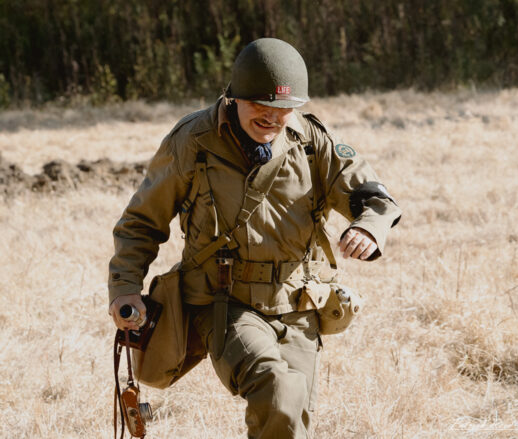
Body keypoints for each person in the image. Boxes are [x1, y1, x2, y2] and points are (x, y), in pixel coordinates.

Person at [106, 38, 401, 438]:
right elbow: (141, 221)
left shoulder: (312, 142)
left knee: (291, 418)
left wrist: (369, 226)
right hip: (225, 304)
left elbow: (373, 196)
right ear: (234, 96)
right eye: (260, 106)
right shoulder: (194, 141)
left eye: (283, 109)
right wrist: (125, 286)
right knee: (278, 391)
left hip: (300, 306)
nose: (272, 118)